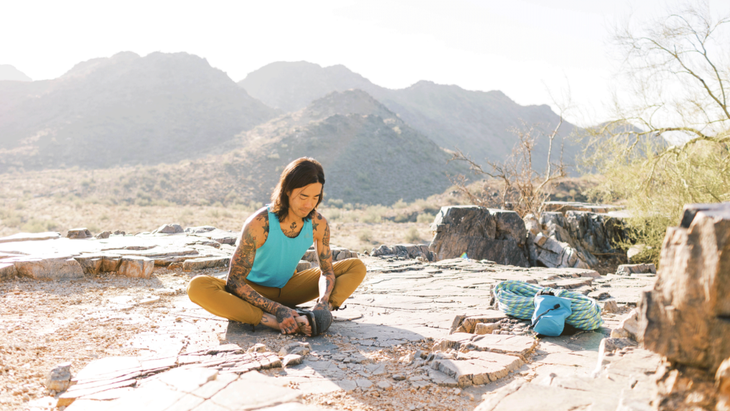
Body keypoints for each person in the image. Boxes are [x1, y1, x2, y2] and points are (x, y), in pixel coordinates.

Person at [187, 157, 366, 336]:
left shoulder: (318, 224)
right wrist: (277, 310)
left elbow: (326, 272)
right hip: (252, 293)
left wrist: (323, 302)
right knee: (197, 286)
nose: (309, 204)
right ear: (287, 190)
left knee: (356, 266)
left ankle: (318, 316)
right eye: (303, 196)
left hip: (288, 288)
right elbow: (234, 282)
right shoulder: (259, 223)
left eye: (315, 197)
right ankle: (275, 321)